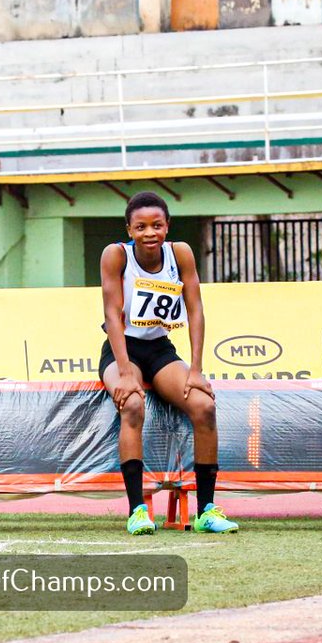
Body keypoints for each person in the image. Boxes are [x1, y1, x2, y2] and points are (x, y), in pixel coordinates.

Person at [98, 191, 238, 535]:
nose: (150, 233)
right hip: (122, 350)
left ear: (167, 226)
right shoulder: (116, 255)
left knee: (204, 406)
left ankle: (207, 510)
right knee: (131, 405)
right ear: (129, 230)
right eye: (141, 226)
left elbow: (196, 310)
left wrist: (195, 369)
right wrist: (126, 372)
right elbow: (113, 316)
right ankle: (138, 512)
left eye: (157, 225)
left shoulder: (181, 254)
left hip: (160, 349)